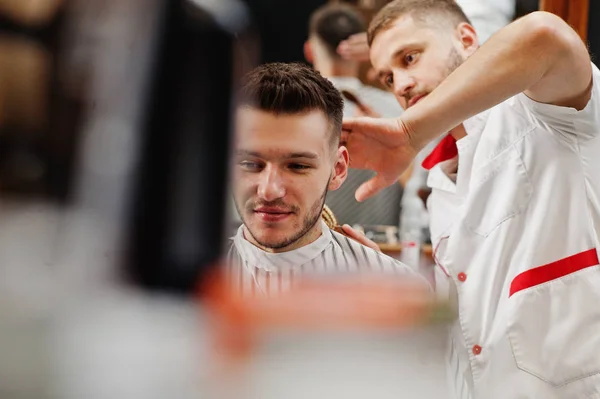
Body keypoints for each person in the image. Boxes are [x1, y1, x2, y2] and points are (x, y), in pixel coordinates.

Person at [341, 0, 600, 398]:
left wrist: (411, 131)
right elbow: (475, 320)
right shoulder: (441, 182)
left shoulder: (543, 111)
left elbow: (544, 35)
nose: (402, 85)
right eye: (388, 78)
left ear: (466, 39)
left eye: (410, 57)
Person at [229, 62, 421, 296]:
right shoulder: (183, 284)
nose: (269, 191)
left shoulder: (400, 291)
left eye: (297, 166)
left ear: (338, 169)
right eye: (250, 164)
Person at [304, 3, 404, 227]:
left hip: (305, 247)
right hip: (384, 250)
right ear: (359, 53)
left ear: (309, 50)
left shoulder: (292, 111)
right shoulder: (397, 110)